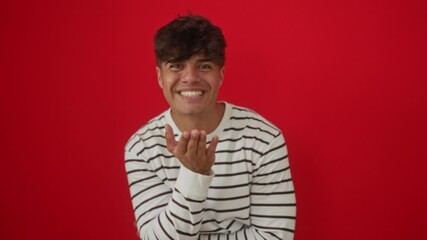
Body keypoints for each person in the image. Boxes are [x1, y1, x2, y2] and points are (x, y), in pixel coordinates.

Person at [125, 15, 296, 240]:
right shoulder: (141, 147)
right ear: (160, 77)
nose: (190, 77)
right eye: (176, 66)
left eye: (204, 66)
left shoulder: (264, 139)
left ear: (220, 75)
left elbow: (276, 236)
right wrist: (194, 174)